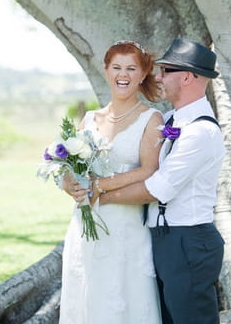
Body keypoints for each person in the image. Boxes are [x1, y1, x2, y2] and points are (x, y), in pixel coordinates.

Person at [96, 37, 226, 323]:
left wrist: (98, 195)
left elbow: (157, 188)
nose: (158, 77)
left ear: (189, 77)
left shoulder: (200, 132)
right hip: (164, 239)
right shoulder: (169, 120)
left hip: (189, 240)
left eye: (166, 71)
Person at [60, 40, 165, 323]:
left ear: (143, 74)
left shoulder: (151, 119)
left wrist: (100, 187)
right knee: (86, 296)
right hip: (85, 223)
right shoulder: (90, 118)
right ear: (106, 71)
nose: (124, 74)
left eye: (131, 68)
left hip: (125, 226)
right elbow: (71, 169)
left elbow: (149, 171)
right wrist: (68, 184)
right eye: (117, 67)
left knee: (122, 298)